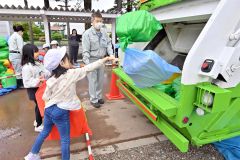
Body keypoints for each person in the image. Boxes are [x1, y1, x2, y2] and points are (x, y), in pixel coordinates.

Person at [24, 46, 117, 160]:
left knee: (44, 132)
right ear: (62, 63)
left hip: (49, 109)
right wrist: (105, 59)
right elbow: (89, 68)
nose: (70, 61)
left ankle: (32, 154)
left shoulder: (52, 79)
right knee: (65, 140)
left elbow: (45, 96)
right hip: (60, 112)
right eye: (67, 59)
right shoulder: (71, 74)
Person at [82, 12, 114, 108]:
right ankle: (93, 99)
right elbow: (86, 51)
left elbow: (108, 43)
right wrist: (87, 64)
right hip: (91, 60)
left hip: (102, 60)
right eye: (97, 21)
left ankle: (99, 97)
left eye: (101, 21)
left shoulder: (104, 32)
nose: (99, 23)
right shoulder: (87, 34)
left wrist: (111, 54)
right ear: (92, 22)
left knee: (100, 80)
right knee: (92, 81)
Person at [21, 44, 49, 132]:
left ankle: (37, 120)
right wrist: (37, 80)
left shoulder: (37, 63)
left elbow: (45, 71)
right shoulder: (26, 68)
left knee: (40, 105)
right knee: (39, 105)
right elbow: (27, 82)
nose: (38, 53)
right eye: (35, 52)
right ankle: (38, 124)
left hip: (41, 88)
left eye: (37, 51)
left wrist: (47, 74)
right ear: (29, 54)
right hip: (34, 90)